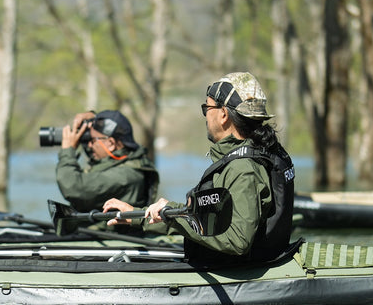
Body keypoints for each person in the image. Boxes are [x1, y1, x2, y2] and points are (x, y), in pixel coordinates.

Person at [102, 72, 295, 267]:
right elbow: (206, 216)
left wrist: (173, 218)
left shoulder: (243, 168)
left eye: (207, 108)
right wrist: (135, 215)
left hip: (237, 271)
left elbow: (237, 241)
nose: (205, 116)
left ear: (223, 114)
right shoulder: (260, 151)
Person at [55, 109, 159, 213]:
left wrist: (68, 150)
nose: (89, 145)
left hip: (102, 229)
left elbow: (73, 188)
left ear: (111, 143)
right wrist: (93, 119)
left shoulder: (125, 176)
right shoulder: (124, 160)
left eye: (92, 140)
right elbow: (96, 159)